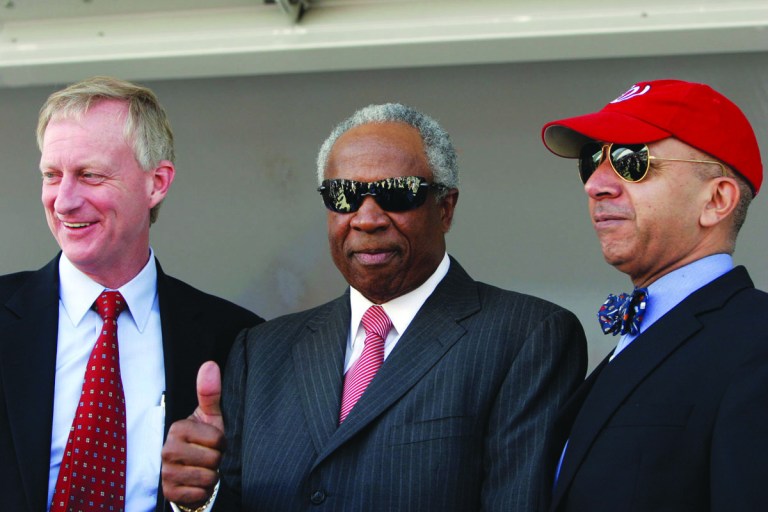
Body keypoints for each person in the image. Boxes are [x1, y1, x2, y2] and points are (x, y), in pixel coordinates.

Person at [161, 102, 587, 512]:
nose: (366, 218)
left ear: (446, 208)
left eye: (396, 194)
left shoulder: (527, 337)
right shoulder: (262, 350)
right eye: (343, 195)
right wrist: (199, 499)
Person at [0, 76, 262, 512]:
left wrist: (199, 500)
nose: (63, 201)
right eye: (52, 175)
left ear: (156, 182)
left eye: (90, 175)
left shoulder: (238, 342)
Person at [541, 79, 768, 511]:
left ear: (717, 200)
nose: (596, 185)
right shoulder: (643, 338)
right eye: (592, 161)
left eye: (632, 160)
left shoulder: (757, 343)